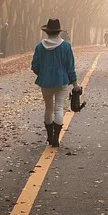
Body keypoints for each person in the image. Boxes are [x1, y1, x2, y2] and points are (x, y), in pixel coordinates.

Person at [31, 18, 80, 147]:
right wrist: (75, 84)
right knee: (58, 108)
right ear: (59, 32)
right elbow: (70, 67)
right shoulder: (66, 46)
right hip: (61, 80)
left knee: (48, 108)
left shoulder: (40, 47)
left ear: (47, 32)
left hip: (45, 81)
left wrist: (42, 74)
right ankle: (56, 138)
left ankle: (49, 136)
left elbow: (34, 65)